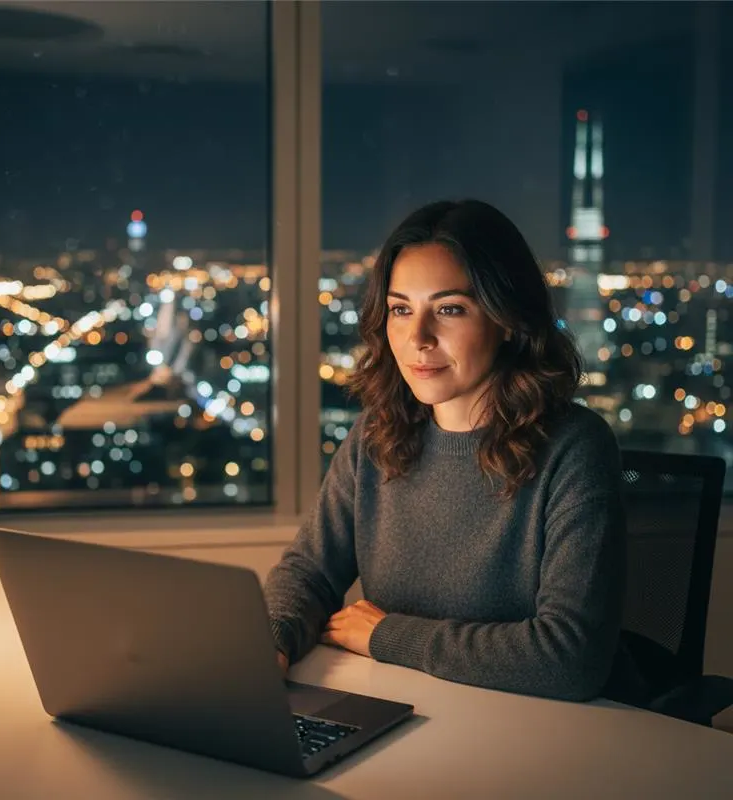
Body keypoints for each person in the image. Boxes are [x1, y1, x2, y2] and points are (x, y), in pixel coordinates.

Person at [264, 198, 645, 703]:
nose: (417, 337)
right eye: (401, 309)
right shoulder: (376, 436)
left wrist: (387, 636)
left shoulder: (575, 448)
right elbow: (307, 573)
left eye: (448, 309)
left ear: (506, 319)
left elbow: (569, 658)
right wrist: (268, 646)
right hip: (417, 713)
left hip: (547, 737)